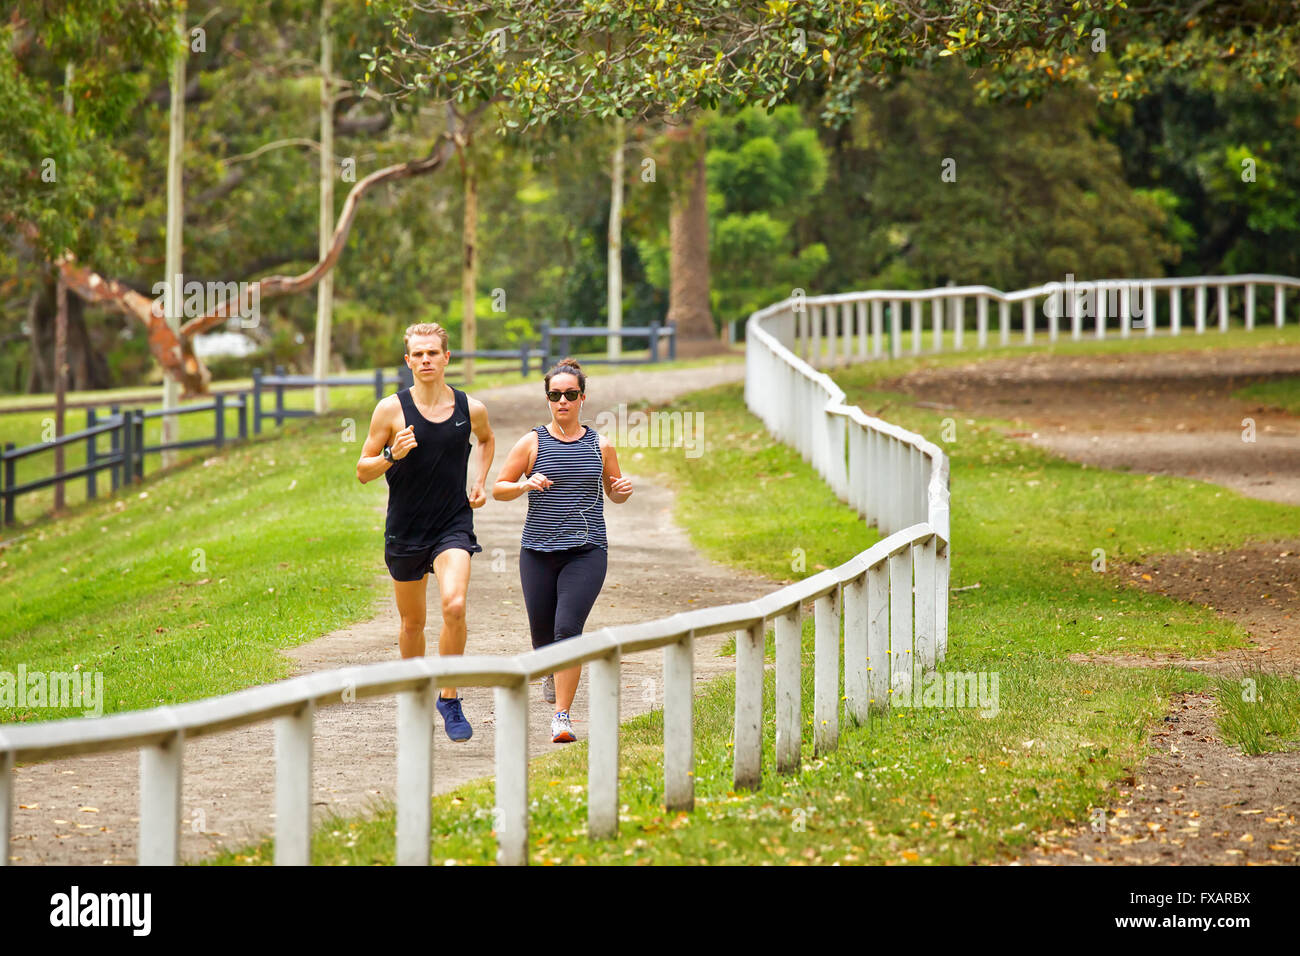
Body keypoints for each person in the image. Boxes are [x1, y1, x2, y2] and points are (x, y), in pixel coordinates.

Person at [357, 322, 495, 742]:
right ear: (407, 361)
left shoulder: (470, 408)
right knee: (412, 623)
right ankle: (416, 695)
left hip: (452, 523)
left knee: (454, 606)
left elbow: (486, 441)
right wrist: (389, 454)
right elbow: (362, 470)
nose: (425, 360)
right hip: (406, 529)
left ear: (447, 357)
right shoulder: (390, 410)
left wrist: (479, 480)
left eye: (433, 353)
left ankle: (449, 696)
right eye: (417, 354)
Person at [493, 358, 633, 743]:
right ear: (548, 399)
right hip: (537, 551)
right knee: (542, 637)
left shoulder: (601, 445)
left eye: (570, 395)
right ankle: (552, 672)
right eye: (555, 395)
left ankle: (562, 718)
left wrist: (619, 492)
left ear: (582, 398)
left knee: (567, 629)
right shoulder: (532, 442)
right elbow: (499, 488)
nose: (563, 402)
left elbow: (613, 491)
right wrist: (524, 485)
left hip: (586, 551)